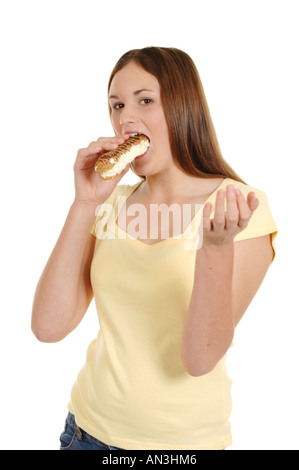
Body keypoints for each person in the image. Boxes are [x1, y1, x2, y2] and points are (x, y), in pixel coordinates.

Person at [31, 47, 278, 451]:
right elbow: (48, 327)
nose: (126, 119)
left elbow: (199, 359)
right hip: (86, 432)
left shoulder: (240, 208)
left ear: (184, 106)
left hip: (183, 447)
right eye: (117, 105)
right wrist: (85, 203)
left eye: (145, 100)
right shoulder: (109, 203)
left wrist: (215, 247)